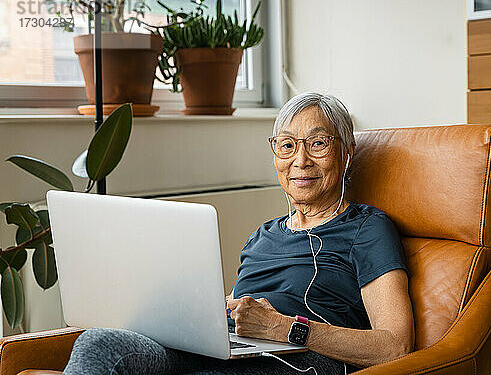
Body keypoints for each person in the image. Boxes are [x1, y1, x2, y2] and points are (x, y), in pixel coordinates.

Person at [63, 92, 414, 374]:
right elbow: (243, 311)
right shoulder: (261, 236)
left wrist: (283, 328)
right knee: (100, 345)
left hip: (299, 359)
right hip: (227, 352)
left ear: (347, 153)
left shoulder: (367, 227)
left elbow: (394, 346)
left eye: (318, 143)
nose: (300, 161)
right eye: (287, 145)